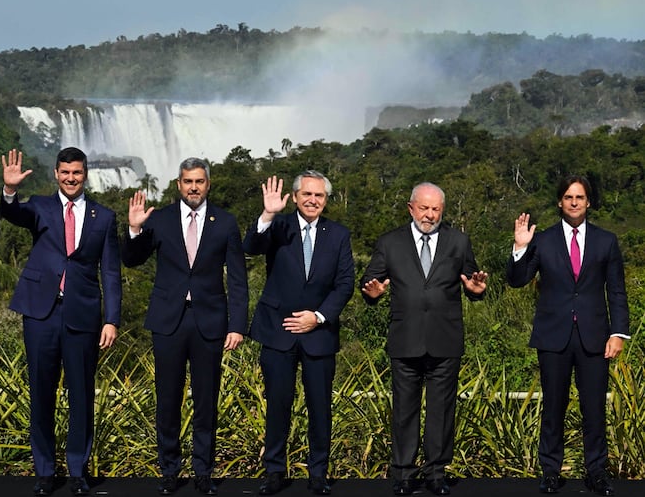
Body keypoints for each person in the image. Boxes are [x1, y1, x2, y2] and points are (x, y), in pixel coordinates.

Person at [122, 157, 248, 496]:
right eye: (188, 181)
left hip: (210, 321)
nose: (194, 187)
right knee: (167, 399)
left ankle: (203, 471)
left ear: (208, 184)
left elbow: (237, 278)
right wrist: (134, 230)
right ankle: (169, 470)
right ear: (178, 184)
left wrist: (237, 325)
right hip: (168, 321)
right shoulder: (158, 219)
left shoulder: (225, 222)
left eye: (200, 181)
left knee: (207, 399)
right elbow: (132, 260)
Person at [0, 148, 121, 497]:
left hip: (83, 315)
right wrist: (9, 191)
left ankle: (78, 471)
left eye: (77, 173)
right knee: (41, 392)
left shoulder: (105, 216)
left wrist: (111, 319)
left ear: (86, 174)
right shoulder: (39, 206)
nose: (71, 178)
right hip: (41, 312)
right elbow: (12, 212)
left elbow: (111, 273)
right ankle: (44, 471)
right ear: (56, 173)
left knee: (81, 394)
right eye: (65, 172)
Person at [360, 182, 487, 496]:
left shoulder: (459, 241)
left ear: (442, 211)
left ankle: (436, 473)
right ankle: (403, 474)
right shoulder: (390, 243)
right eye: (424, 208)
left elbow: (472, 282)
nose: (429, 215)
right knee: (404, 410)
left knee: (442, 410)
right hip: (405, 339)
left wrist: (476, 291)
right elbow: (370, 281)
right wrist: (372, 292)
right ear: (410, 208)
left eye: (436, 209)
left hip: (446, 339)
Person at [506, 175, 628, 497]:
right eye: (569, 197)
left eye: (580, 197)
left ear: (589, 202)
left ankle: (597, 472)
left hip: (594, 337)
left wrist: (618, 333)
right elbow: (518, 280)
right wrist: (520, 248)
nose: (574, 202)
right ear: (560, 202)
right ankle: (550, 471)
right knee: (553, 407)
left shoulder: (606, 241)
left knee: (594, 409)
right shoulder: (542, 240)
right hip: (553, 337)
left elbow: (616, 290)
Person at [243, 172, 355, 496]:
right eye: (307, 194)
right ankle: (274, 471)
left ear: (326, 200)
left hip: (318, 334)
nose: (313, 200)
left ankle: (318, 473)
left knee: (320, 406)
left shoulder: (338, 234)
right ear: (294, 197)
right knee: (278, 404)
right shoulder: (278, 226)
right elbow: (250, 246)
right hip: (278, 332)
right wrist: (267, 213)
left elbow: (345, 283)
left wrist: (318, 317)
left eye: (319, 196)